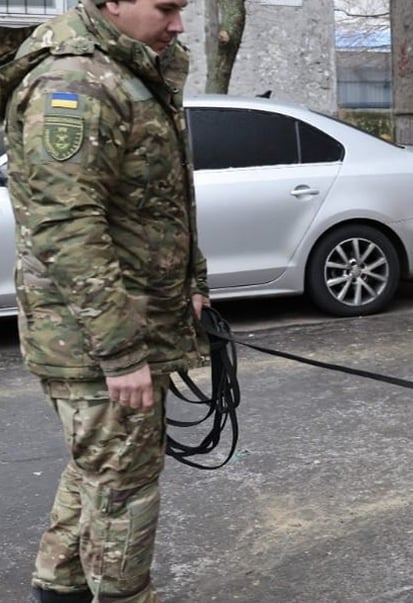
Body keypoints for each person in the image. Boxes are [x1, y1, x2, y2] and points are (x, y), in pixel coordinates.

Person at [0, 0, 209, 601]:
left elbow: (164, 200)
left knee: (101, 467)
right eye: (166, 8)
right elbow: (66, 224)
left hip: (127, 321)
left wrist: (193, 282)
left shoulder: (128, 68)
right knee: (125, 485)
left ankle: (59, 588)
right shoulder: (73, 81)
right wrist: (120, 353)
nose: (178, 25)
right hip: (93, 338)